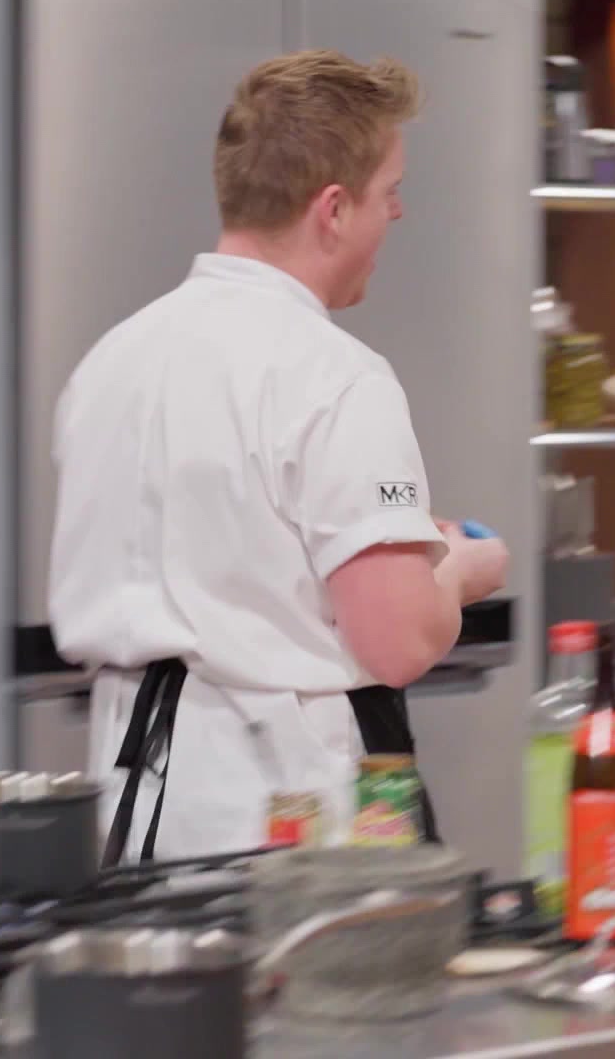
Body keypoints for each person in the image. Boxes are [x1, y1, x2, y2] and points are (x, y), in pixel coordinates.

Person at [45, 50, 510, 864]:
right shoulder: (338, 377)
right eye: (389, 191)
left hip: (132, 809)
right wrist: (459, 571)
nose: (397, 213)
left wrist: (387, 538)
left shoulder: (113, 361)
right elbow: (398, 640)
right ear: (333, 209)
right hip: (285, 828)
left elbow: (222, 551)